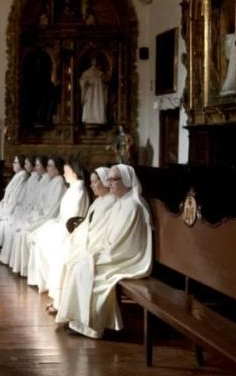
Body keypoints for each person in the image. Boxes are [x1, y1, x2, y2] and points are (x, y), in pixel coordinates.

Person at [54, 164, 152, 338]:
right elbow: (108, 234)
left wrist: (101, 252)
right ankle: (76, 320)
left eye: (114, 179)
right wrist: (97, 249)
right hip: (113, 251)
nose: (110, 183)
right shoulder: (122, 202)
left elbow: (124, 242)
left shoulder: (133, 205)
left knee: (84, 266)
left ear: (127, 181)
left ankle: (91, 325)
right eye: (109, 179)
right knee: (80, 262)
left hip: (126, 256)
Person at [26, 161, 91, 309]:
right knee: (39, 236)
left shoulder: (79, 190)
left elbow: (73, 218)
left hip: (70, 231)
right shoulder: (73, 188)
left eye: (66, 171)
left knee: (48, 244)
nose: (64, 174)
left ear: (74, 172)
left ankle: (55, 290)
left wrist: (58, 227)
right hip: (63, 225)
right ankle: (44, 282)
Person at [0, 155, 29, 242]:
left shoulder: (23, 176)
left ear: (21, 164)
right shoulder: (17, 175)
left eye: (15, 162)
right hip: (9, 202)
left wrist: (7, 204)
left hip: (14, 204)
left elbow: (17, 194)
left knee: (3, 216)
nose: (13, 164)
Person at [79, 57, 108, 124]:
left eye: (96, 61)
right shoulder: (86, 73)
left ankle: (98, 119)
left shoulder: (100, 73)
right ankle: (89, 119)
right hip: (90, 93)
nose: (94, 62)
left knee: (98, 103)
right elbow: (82, 81)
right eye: (93, 61)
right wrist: (85, 83)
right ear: (91, 62)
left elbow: (106, 82)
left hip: (98, 93)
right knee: (89, 104)